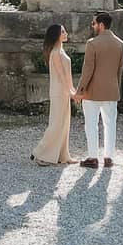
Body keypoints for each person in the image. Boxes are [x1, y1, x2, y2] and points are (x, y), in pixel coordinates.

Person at [73, 12, 123, 168]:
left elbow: (88, 70)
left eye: (94, 23)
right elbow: (119, 70)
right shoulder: (120, 44)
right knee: (110, 124)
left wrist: (79, 90)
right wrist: (117, 88)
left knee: (91, 124)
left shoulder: (92, 43)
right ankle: (108, 157)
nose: (93, 26)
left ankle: (93, 157)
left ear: (101, 25)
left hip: (92, 91)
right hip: (111, 90)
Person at [30, 23, 78, 166]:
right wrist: (70, 91)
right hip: (59, 92)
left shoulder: (60, 50)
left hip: (64, 91)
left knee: (64, 124)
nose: (66, 33)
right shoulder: (55, 52)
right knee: (56, 124)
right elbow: (61, 75)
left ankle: (64, 155)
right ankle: (40, 153)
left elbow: (67, 76)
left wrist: (72, 90)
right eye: (63, 32)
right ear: (56, 35)